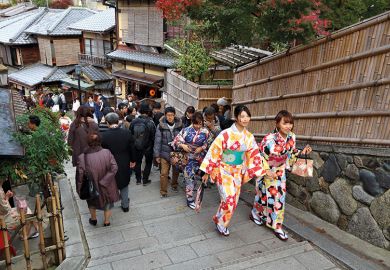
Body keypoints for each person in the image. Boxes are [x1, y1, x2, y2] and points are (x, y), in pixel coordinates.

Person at [200, 105, 267, 236]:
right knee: (229, 199)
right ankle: (221, 224)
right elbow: (215, 151)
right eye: (242, 116)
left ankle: (218, 218)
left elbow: (254, 155)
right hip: (224, 170)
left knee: (233, 201)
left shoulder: (249, 137)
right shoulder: (225, 134)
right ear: (236, 117)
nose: (245, 119)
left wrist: (262, 170)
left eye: (247, 116)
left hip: (237, 172)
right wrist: (207, 171)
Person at [251, 110, 312, 241]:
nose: (288, 126)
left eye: (290, 123)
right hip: (267, 171)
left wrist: (302, 152)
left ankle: (277, 226)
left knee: (279, 198)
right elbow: (260, 155)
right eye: (285, 123)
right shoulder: (269, 139)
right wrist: (266, 170)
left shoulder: (292, 137)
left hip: (280, 170)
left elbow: (291, 153)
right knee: (262, 195)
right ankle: (256, 213)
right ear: (277, 123)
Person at [76, 132, 119, 226]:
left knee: (91, 202)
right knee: (107, 202)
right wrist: (105, 181)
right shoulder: (107, 152)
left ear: (87, 142)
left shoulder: (82, 157)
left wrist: (79, 189)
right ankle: (107, 221)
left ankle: (93, 219)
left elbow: (80, 175)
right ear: (100, 141)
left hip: (91, 184)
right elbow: (114, 167)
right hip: (107, 184)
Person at [173, 112, 209, 209]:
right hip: (187, 158)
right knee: (189, 178)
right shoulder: (186, 130)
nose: (198, 126)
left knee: (195, 178)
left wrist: (202, 147)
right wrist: (182, 145)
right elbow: (176, 141)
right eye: (196, 123)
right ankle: (189, 199)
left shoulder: (205, 132)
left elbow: (207, 143)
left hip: (199, 158)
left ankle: (194, 194)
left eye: (200, 123)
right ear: (192, 122)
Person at [101, 113, 135, 212]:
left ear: (107, 123)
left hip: (109, 164)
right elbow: (132, 148)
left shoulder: (103, 136)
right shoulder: (127, 133)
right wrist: (133, 160)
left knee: (111, 184)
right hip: (124, 161)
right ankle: (125, 205)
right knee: (124, 183)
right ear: (118, 121)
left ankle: (110, 205)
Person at [153, 107, 183, 198]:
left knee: (176, 171)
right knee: (164, 173)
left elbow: (183, 139)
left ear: (174, 115)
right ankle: (163, 191)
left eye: (172, 115)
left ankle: (174, 184)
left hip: (176, 153)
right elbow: (157, 141)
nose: (170, 117)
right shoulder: (161, 126)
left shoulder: (180, 125)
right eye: (168, 115)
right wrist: (157, 155)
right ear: (165, 115)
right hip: (164, 153)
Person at [130, 103, 156, 186]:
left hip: (136, 146)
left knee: (138, 162)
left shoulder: (134, 121)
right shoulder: (150, 122)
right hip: (148, 146)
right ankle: (145, 180)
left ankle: (138, 180)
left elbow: (130, 134)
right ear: (148, 112)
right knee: (148, 163)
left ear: (140, 111)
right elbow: (153, 136)